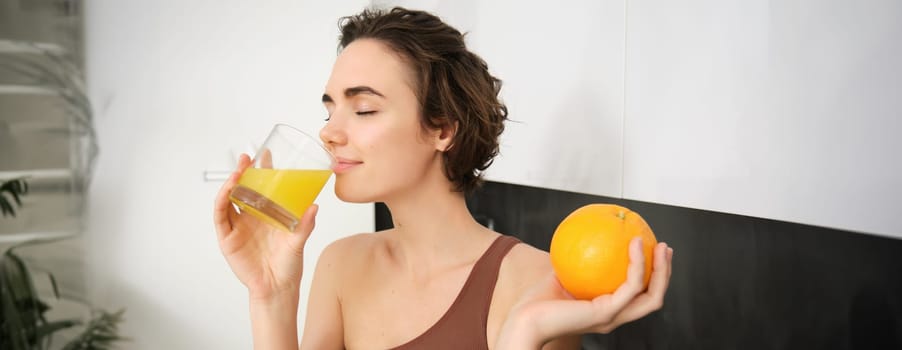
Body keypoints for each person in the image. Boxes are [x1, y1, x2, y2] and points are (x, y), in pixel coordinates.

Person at [213, 6, 673, 350]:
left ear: (443, 129)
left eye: (364, 108)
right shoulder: (340, 265)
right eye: (330, 107)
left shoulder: (537, 283)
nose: (329, 132)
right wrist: (271, 296)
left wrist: (522, 336)